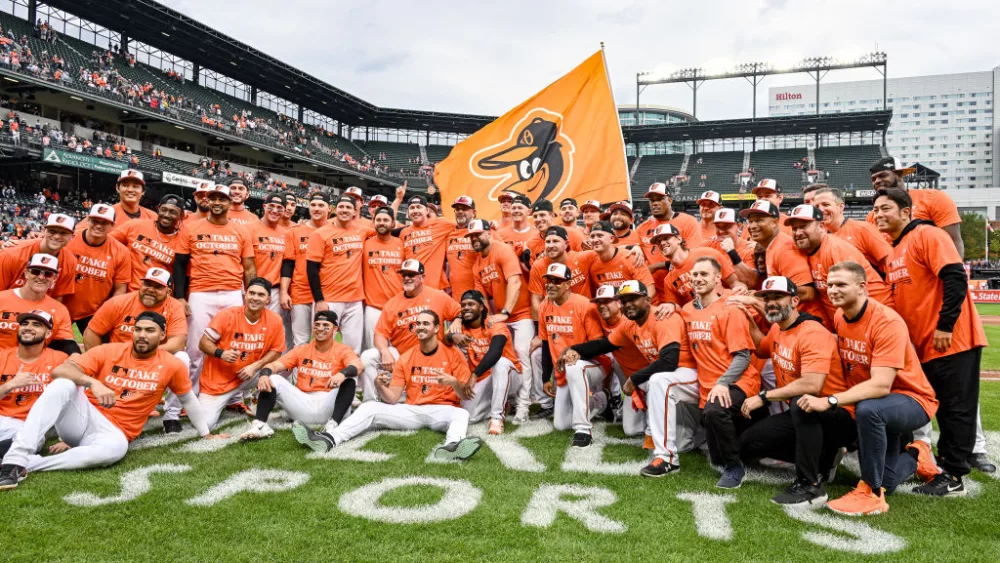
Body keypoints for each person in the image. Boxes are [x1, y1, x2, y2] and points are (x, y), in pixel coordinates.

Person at [0, 312, 225, 490]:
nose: (142, 335)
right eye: (138, 329)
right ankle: (15, 458)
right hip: (83, 416)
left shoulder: (171, 364)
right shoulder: (109, 350)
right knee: (63, 384)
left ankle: (29, 464)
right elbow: (61, 370)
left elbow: (188, 400)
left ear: (162, 335)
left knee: (115, 451)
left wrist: (205, 432)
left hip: (116, 431)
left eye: (149, 330)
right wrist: (93, 383)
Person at [799, 261, 938, 515]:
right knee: (889, 481)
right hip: (879, 403)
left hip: (912, 399)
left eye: (841, 284)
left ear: (863, 287)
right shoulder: (841, 316)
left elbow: (881, 385)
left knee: (868, 409)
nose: (832, 290)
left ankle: (871, 493)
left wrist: (830, 400)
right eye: (829, 285)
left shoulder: (887, 322)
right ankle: (917, 456)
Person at [874, 188, 989, 492]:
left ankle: (953, 474)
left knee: (956, 408)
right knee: (935, 405)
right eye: (876, 209)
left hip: (951, 339)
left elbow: (954, 276)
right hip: (926, 345)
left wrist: (946, 325)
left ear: (906, 212)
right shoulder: (895, 249)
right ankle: (932, 462)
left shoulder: (927, 234)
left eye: (886, 208)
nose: (879, 214)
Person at [291, 311, 484, 462]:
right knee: (369, 406)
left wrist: (454, 382)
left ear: (436, 329)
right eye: (418, 323)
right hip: (412, 409)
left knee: (462, 414)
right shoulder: (407, 356)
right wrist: (379, 385)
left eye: (426, 323)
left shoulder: (453, 354)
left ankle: (452, 447)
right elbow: (392, 398)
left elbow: (465, 395)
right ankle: (328, 439)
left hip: (443, 409)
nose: (420, 326)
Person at [734, 276, 854, 506]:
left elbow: (812, 385)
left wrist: (763, 397)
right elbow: (761, 349)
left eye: (778, 297)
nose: (771, 302)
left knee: (803, 400)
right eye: (766, 298)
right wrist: (747, 319)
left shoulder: (812, 331)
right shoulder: (779, 328)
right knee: (748, 444)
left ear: (795, 300)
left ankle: (811, 485)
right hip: (805, 414)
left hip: (838, 413)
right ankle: (824, 457)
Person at [662, 257, 760, 487]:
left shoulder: (730, 308)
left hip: (738, 380)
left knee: (715, 412)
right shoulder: (687, 310)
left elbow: (743, 356)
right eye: (694, 275)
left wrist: (723, 382)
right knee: (715, 455)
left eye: (704, 274)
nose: (698, 279)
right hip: (708, 383)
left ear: (718, 279)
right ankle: (741, 443)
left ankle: (735, 469)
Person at [567, 281, 692, 446]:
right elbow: (604, 345)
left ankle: (679, 437)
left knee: (682, 442)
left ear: (647, 300)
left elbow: (669, 362)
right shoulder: (629, 324)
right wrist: (574, 349)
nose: (628, 304)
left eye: (633, 299)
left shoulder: (662, 317)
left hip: (681, 374)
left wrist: (634, 379)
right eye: (624, 301)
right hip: (654, 377)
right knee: (631, 429)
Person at [170, 185, 256, 420]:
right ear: (207, 202)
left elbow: (249, 267)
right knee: (196, 348)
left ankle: (234, 397)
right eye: (213, 198)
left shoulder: (241, 231)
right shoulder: (191, 227)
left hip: (231, 292)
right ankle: (191, 399)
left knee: (235, 345)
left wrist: (251, 293)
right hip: (201, 291)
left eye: (222, 199)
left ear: (230, 203)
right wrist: (179, 296)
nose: (218, 202)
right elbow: (179, 264)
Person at [239, 310, 361, 442]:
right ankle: (260, 425)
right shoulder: (302, 349)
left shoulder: (342, 350)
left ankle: (332, 427)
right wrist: (264, 375)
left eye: (326, 325)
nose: (320, 329)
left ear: (335, 329)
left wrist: (341, 374)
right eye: (317, 325)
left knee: (349, 380)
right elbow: (274, 365)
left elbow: (358, 366)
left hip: (329, 405)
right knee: (272, 378)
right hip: (303, 403)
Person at [360, 259, 461, 402]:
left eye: (411, 274)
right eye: (404, 275)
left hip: (432, 358)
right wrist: (384, 351)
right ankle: (370, 403)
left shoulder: (438, 296)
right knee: (368, 356)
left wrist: (457, 321)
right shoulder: (393, 304)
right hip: (402, 357)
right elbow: (380, 333)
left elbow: (460, 312)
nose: (407, 278)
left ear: (422, 277)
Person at [467, 219, 535, 423]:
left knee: (523, 354)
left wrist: (505, 312)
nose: (474, 239)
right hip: (500, 318)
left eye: (478, 234)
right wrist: (488, 321)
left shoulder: (502, 250)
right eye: (471, 236)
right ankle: (509, 399)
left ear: (489, 233)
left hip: (521, 313)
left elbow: (514, 281)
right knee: (501, 358)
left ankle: (524, 404)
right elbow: (482, 301)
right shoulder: (477, 264)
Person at [195, 278, 285, 429]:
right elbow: (203, 343)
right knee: (205, 424)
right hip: (219, 381)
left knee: (275, 378)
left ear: (268, 299)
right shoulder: (227, 315)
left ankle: (261, 404)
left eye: (261, 295)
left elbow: (277, 350)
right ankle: (224, 401)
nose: (255, 298)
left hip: (249, 374)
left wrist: (255, 367)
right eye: (252, 293)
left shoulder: (274, 319)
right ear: (245, 294)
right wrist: (220, 353)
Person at [536, 263, 609, 447]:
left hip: (593, 364)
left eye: (557, 281)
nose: (551, 285)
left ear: (568, 284)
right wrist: (546, 377)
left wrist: (575, 352)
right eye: (549, 281)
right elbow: (545, 344)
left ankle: (583, 430)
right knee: (561, 425)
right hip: (564, 371)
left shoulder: (584, 305)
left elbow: (598, 344)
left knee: (574, 366)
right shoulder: (544, 305)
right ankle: (600, 400)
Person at [785, 204, 892, 325]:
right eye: (794, 228)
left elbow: (856, 294)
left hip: (875, 316)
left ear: (821, 227)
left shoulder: (836, 249)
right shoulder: (808, 251)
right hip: (852, 319)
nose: (798, 233)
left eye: (804, 226)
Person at [446, 290, 522, 434]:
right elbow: (444, 343)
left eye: (471, 304)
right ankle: (502, 403)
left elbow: (495, 351)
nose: (466, 307)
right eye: (463, 305)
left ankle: (496, 418)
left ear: (481, 307)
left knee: (501, 363)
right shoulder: (460, 327)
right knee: (470, 417)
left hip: (510, 375)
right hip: (484, 378)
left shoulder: (494, 323)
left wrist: (473, 376)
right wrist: (452, 336)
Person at [305, 195, 373, 353]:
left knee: (352, 349)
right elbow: (311, 268)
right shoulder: (321, 233)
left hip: (354, 299)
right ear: (335, 209)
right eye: (341, 207)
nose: (344, 210)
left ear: (354, 211)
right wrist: (319, 300)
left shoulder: (361, 230)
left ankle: (349, 378)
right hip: (330, 298)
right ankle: (321, 378)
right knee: (322, 346)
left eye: (348, 207)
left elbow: (387, 229)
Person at [741, 201, 824, 319]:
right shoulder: (772, 246)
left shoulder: (785, 248)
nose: (753, 226)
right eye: (750, 221)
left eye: (759, 220)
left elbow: (807, 292)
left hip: (808, 321)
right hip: (792, 320)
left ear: (775, 222)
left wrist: (761, 296)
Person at [0, 311, 69, 454]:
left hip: (31, 424)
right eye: (24, 324)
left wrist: (70, 438)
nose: (28, 327)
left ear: (48, 334)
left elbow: (74, 400)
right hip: (3, 419)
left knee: (31, 440)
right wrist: (10, 385)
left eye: (36, 325)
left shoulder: (60, 360)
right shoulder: (2, 357)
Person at [867, 156, 963, 256]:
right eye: (873, 179)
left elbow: (953, 240)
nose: (877, 181)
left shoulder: (934, 198)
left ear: (899, 174)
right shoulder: (873, 216)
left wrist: (954, 270)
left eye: (883, 175)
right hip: (894, 269)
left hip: (932, 267)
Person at [63, 204, 129, 334]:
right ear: (87, 220)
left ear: (112, 226)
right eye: (95, 221)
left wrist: (106, 313)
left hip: (93, 311)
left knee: (100, 351)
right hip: (61, 306)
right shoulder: (68, 239)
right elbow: (43, 243)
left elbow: (120, 289)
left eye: (105, 222)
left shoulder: (121, 251)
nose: (98, 225)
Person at [650, 223, 743, 312]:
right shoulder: (668, 280)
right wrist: (671, 307)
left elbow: (734, 283)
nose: (662, 243)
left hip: (725, 307)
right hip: (701, 318)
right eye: (658, 242)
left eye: (666, 238)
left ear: (678, 239)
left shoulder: (707, 253)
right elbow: (676, 309)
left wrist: (740, 291)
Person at [635, 182, 702, 302]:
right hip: (654, 293)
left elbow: (693, 256)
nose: (655, 203)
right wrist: (634, 247)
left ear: (670, 200)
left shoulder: (688, 222)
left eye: (660, 199)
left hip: (684, 289)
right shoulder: (642, 228)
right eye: (652, 200)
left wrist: (657, 266)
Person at [0, 254, 78, 355]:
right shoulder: (2, 299)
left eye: (48, 274)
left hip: (33, 367)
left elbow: (66, 344)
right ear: (26, 273)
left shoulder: (59, 309)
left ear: (55, 277)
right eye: (35, 272)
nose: (41, 277)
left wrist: (76, 358)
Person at [110, 194, 189, 291]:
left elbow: (181, 273)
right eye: (164, 210)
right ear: (158, 209)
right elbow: (108, 242)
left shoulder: (182, 240)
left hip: (156, 296)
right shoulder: (135, 225)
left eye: (173, 212)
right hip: (127, 292)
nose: (167, 215)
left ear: (181, 215)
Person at [281, 192, 330, 347]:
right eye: (313, 205)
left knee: (324, 342)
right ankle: (298, 372)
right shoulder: (295, 232)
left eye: (321, 205)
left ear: (329, 208)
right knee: (300, 342)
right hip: (300, 293)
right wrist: (283, 292)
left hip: (327, 294)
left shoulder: (335, 230)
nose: (316, 208)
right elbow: (288, 264)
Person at [811, 186, 891, 275]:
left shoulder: (863, 229)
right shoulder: (820, 238)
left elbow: (890, 260)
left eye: (826, 205)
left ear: (841, 207)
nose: (821, 210)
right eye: (817, 207)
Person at [0, 213, 78, 301]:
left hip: (40, 312)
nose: (56, 236)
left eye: (63, 233)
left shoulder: (70, 261)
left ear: (72, 237)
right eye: (52, 231)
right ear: (44, 230)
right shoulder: (11, 254)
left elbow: (57, 298)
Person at [362, 207, 403, 350]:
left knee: (397, 351)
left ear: (393, 224)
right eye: (378, 220)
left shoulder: (401, 245)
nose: (381, 223)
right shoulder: (365, 244)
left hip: (398, 306)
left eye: (385, 220)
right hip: (373, 308)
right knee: (372, 351)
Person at [398, 194, 456, 290]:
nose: (415, 211)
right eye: (412, 208)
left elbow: (465, 225)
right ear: (408, 212)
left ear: (427, 211)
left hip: (435, 287)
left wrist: (489, 223)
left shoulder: (441, 224)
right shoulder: (404, 233)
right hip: (412, 287)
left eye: (419, 207)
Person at [587, 221, 656, 296]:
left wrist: (634, 307)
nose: (595, 240)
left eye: (600, 236)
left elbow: (650, 289)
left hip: (639, 304)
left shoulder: (630, 257)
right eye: (592, 236)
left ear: (611, 238)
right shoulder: (593, 265)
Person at [250, 193, 288, 319]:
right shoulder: (249, 229)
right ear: (264, 206)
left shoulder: (286, 234)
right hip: (252, 289)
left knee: (272, 331)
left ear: (284, 211)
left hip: (274, 291)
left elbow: (287, 266)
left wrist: (283, 292)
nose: (275, 211)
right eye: (271, 206)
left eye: (279, 208)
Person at [705, 208, 759, 287]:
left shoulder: (749, 248)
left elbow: (751, 282)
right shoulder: (709, 245)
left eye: (726, 226)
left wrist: (732, 252)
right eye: (718, 226)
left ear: (739, 226)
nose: (721, 231)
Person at [445, 195, 481, 300]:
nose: (460, 211)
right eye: (457, 209)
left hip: (479, 295)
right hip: (456, 297)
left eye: (464, 208)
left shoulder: (483, 232)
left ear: (474, 213)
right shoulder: (448, 234)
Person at [497, 195, 538, 264]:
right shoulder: (499, 233)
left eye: (520, 208)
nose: (516, 210)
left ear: (529, 211)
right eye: (514, 208)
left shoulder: (536, 234)